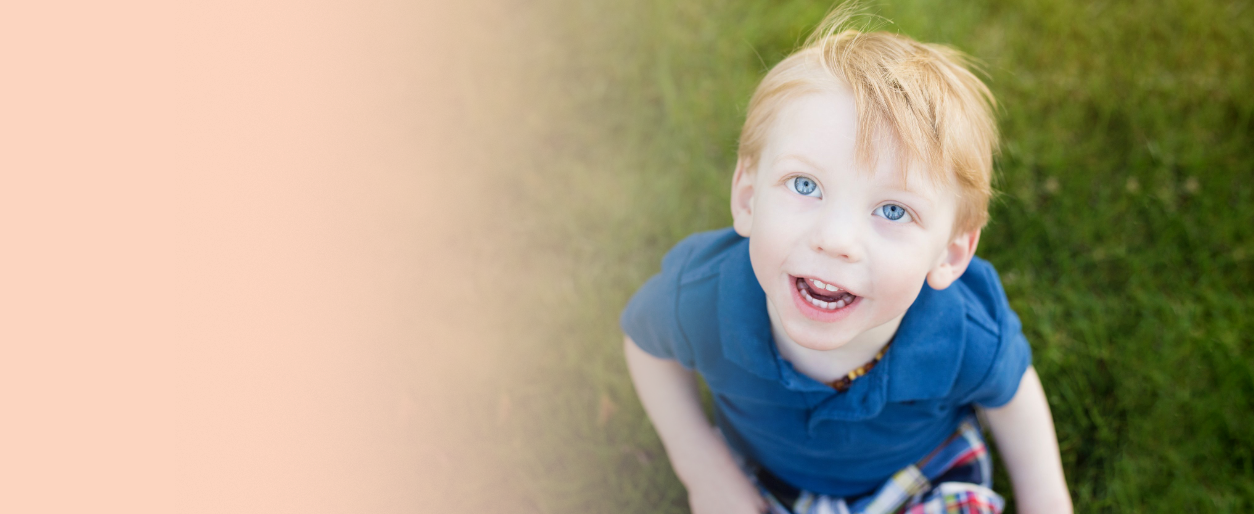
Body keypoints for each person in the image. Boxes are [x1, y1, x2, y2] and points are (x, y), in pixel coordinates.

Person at [619, 8, 1073, 514]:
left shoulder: (960, 331)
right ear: (748, 197)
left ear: (949, 253)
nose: (836, 240)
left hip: (921, 472)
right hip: (766, 475)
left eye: (893, 210)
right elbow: (647, 348)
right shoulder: (703, 295)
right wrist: (702, 467)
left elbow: (1012, 396)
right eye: (805, 185)